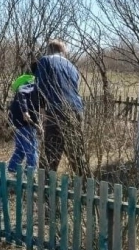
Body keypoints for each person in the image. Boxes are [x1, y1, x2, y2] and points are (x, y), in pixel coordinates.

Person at [35, 40, 89, 177]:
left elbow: (39, 87)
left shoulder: (45, 61)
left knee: (51, 152)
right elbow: (75, 88)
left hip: (56, 109)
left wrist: (41, 113)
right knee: (76, 153)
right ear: (63, 52)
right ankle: (85, 186)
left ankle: (44, 190)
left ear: (49, 50)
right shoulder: (72, 66)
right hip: (77, 110)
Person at [7, 73, 43, 175]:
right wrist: (25, 112)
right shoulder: (28, 88)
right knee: (32, 149)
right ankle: (30, 175)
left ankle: (11, 171)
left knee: (21, 149)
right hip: (26, 123)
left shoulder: (20, 97)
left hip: (18, 123)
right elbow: (22, 94)